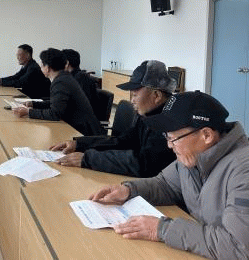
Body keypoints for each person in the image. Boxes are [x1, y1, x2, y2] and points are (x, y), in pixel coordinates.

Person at [89, 91, 249, 259]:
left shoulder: (243, 171)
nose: (169, 145)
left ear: (206, 135)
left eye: (173, 138)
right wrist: (129, 190)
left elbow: (238, 247)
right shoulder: (193, 157)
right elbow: (165, 185)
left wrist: (162, 229)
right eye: (167, 136)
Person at [51, 60, 176, 177]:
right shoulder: (148, 114)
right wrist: (79, 144)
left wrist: (88, 159)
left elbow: (143, 164)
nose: (132, 100)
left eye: (135, 95)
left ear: (156, 95)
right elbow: (122, 141)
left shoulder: (170, 122)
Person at [13, 48, 104, 136]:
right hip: (77, 127)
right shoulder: (64, 78)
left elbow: (54, 114)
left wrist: (29, 112)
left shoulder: (61, 82)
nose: (40, 68)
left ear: (47, 68)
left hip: (81, 132)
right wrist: (33, 104)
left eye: (42, 66)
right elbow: (56, 103)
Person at [62, 48, 99, 114]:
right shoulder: (72, 77)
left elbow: (80, 106)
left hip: (83, 118)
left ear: (67, 63)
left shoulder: (81, 78)